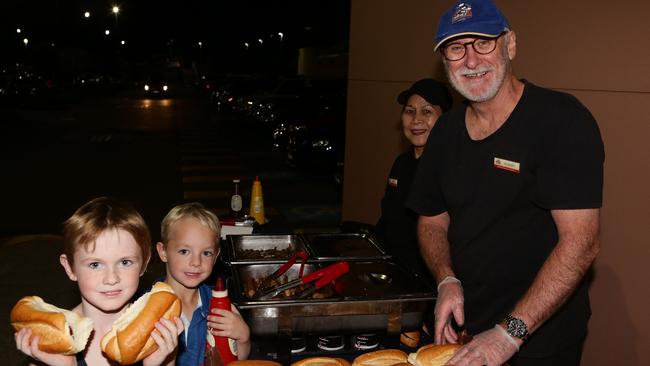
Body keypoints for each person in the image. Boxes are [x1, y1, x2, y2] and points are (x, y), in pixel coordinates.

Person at [407, 0, 604, 365]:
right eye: (456, 48)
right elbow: (432, 220)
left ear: (510, 45)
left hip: (540, 337)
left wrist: (509, 333)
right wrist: (446, 279)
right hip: (469, 330)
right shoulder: (446, 131)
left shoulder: (560, 121)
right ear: (444, 60)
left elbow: (581, 243)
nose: (470, 60)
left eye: (483, 42)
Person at [14, 196, 183, 366]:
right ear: (69, 267)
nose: (111, 279)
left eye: (125, 262)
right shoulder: (52, 340)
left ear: (144, 263)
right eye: (95, 264)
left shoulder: (157, 334)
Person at [155, 202, 251, 366]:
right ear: (163, 252)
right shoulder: (147, 307)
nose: (196, 262)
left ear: (215, 257)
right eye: (184, 251)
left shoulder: (217, 303)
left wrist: (243, 337)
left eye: (206, 253)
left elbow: (236, 359)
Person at [376, 78, 452, 281]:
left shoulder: (451, 167)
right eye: (409, 111)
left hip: (432, 283)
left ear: (445, 119)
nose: (416, 120)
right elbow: (389, 220)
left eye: (427, 112)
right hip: (395, 275)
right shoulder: (401, 163)